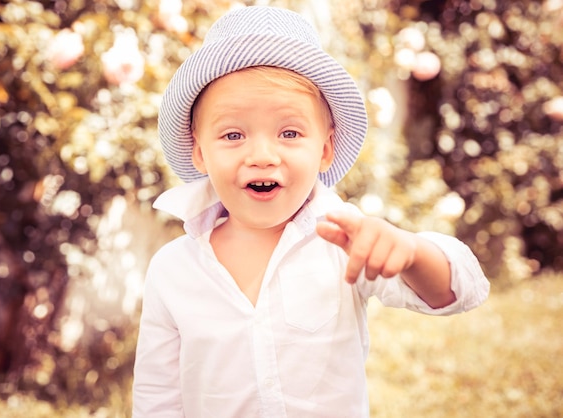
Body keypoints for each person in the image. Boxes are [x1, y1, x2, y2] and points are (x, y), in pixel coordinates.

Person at [132, 5, 489, 418]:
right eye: (233, 134)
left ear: (325, 149)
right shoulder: (172, 270)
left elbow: (460, 290)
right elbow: (157, 399)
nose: (262, 156)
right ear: (199, 150)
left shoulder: (344, 244)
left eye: (289, 132)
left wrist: (411, 251)